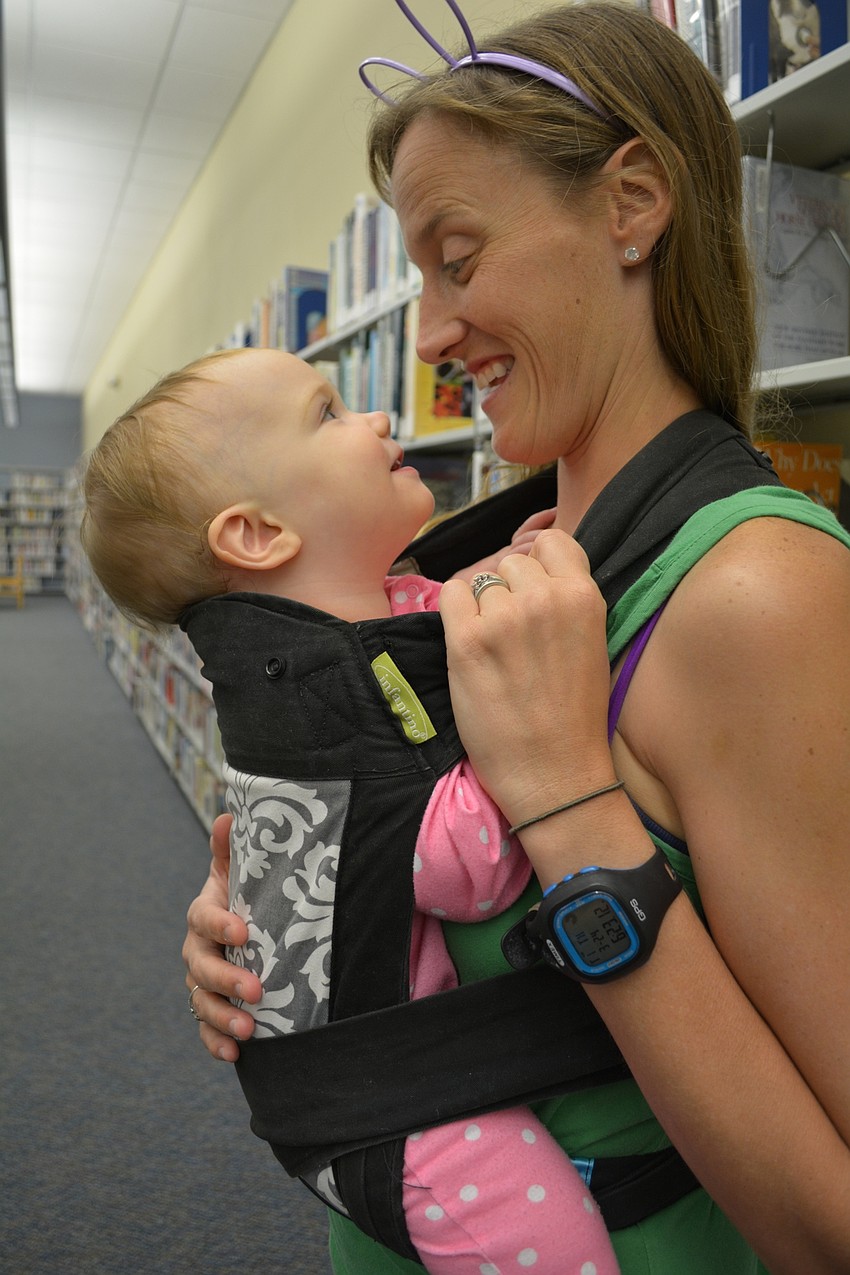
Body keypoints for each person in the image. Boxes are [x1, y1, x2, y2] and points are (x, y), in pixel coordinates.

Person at [181, 2, 850, 1272]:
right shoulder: (480, 572)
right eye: (418, 277)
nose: (428, 337)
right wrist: (291, 923)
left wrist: (570, 808)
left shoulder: (756, 594)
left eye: (459, 256)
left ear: (632, 204)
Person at [80, 345, 620, 1275]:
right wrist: (535, 716)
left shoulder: (355, 627)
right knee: (556, 1242)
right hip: (388, 1103)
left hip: (395, 1058)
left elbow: (426, 623)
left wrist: (502, 573)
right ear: (257, 534)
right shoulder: (304, 714)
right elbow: (470, 867)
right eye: (327, 414)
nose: (374, 418)